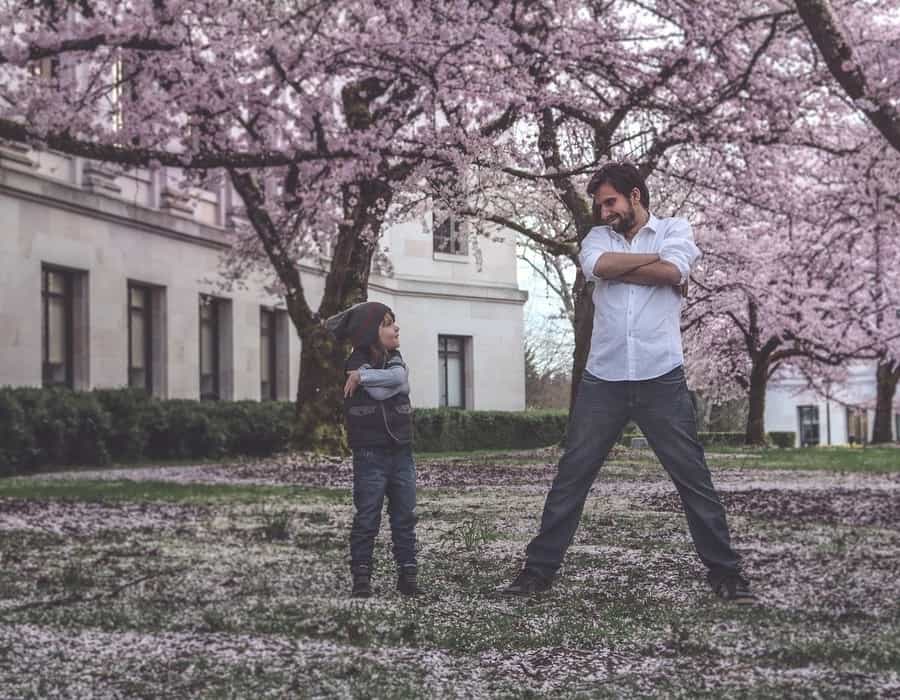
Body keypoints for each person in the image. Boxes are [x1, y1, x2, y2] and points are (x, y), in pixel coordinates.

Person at [503, 162, 754, 604]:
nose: (603, 212)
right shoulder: (598, 238)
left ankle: (726, 574)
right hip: (605, 378)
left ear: (635, 195)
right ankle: (537, 573)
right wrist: (653, 264)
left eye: (610, 201)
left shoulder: (675, 228)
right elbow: (600, 264)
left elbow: (673, 272)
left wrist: (634, 269)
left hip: (662, 377)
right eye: (600, 204)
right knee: (572, 476)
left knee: (693, 478)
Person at [325, 301, 419, 598]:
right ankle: (361, 577)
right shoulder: (356, 360)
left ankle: (408, 576)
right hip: (370, 454)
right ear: (370, 330)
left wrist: (364, 377)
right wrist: (375, 378)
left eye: (395, 322)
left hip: (401, 451)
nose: (396, 328)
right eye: (388, 323)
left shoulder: (394, 358)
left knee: (405, 516)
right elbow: (384, 389)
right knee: (368, 516)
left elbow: (399, 379)